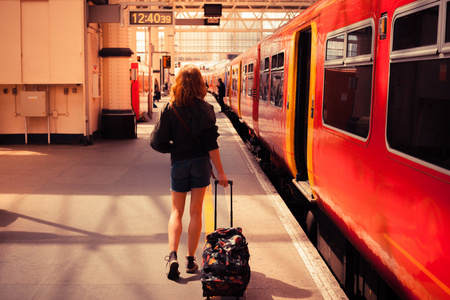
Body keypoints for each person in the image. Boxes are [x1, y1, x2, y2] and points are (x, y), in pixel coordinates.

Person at [150, 64, 228, 280]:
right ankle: (190, 260)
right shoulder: (206, 109)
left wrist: (174, 148)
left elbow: (156, 142)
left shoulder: (170, 107)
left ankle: (172, 256)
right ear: (199, 84)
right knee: (195, 212)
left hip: (179, 164)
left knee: (176, 212)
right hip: (201, 164)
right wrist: (220, 173)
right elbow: (211, 144)